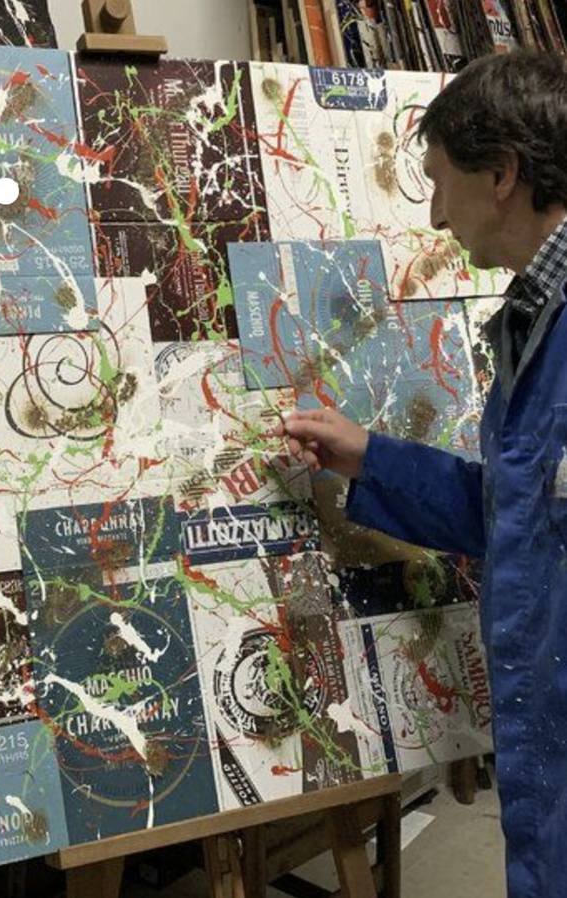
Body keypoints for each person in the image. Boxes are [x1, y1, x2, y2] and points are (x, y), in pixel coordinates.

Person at [274, 50, 567, 898]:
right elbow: (516, 515)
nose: (436, 216)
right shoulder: (532, 318)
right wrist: (372, 458)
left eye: (440, 183)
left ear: (502, 174)